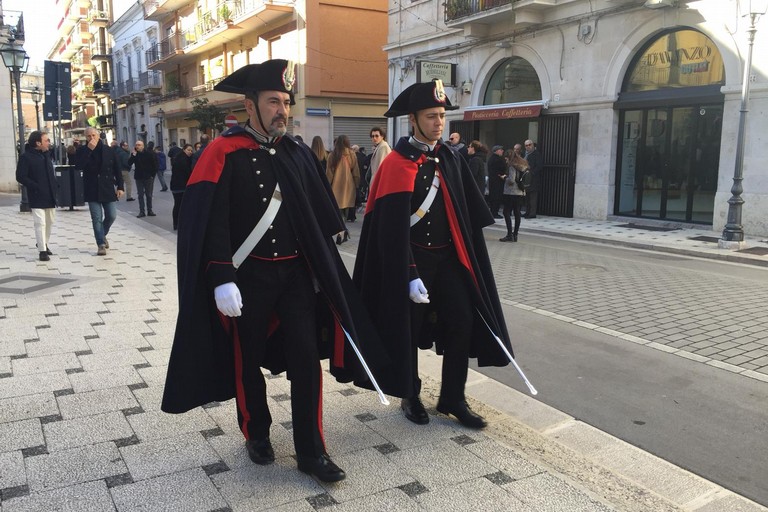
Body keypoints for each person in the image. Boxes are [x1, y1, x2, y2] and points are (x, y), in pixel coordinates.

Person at [161, 59, 391, 483]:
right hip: (247, 279)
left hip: (296, 279)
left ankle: (312, 450)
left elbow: (314, 209)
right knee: (246, 360)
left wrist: (324, 253)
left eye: (286, 101)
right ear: (251, 106)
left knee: (307, 361)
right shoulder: (221, 151)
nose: (282, 109)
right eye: (273, 101)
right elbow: (211, 222)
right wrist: (220, 276)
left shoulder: (295, 151)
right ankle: (257, 432)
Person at [353, 79, 514, 430]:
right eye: (431, 116)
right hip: (410, 261)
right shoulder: (396, 163)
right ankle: (410, 393)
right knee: (407, 330)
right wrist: (409, 272)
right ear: (413, 119)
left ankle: (453, 397)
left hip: (447, 260)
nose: (439, 123)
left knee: (462, 321)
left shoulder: (450, 159)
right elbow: (391, 229)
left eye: (442, 116)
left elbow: (465, 215)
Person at [78, 127, 125, 255]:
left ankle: (102, 234)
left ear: (98, 136)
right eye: (88, 136)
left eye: (94, 135)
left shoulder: (108, 150)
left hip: (107, 187)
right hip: (91, 188)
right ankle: (101, 244)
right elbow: (79, 166)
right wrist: (89, 150)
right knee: (96, 217)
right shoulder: (82, 150)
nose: (91, 138)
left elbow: (117, 169)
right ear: (85, 138)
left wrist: (120, 187)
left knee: (111, 215)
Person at [16, 131, 57, 261]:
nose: (49, 143)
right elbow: (20, 176)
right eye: (46, 140)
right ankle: (42, 251)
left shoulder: (46, 155)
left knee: (50, 222)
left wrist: (56, 186)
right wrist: (35, 186)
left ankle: (43, 242)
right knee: (40, 223)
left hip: (50, 194)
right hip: (36, 195)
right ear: (38, 143)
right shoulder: (26, 157)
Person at [325, 135, 359, 244]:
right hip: (349, 186)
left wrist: (327, 186)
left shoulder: (332, 155)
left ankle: (341, 232)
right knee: (345, 210)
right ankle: (343, 231)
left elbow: (329, 173)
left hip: (335, 187)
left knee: (338, 211)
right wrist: (357, 185)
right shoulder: (352, 154)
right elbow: (356, 173)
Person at [499, 150, 528, 242]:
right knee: (517, 213)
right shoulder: (522, 165)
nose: (506, 160)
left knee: (506, 212)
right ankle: (515, 235)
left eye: (506, 158)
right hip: (520, 192)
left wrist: (504, 178)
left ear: (509, 157)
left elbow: (511, 180)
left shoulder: (512, 166)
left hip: (511, 192)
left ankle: (509, 234)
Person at [128, 140, 158, 217]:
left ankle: (150, 210)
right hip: (139, 177)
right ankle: (142, 211)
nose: (137, 146)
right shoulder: (135, 154)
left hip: (148, 177)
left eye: (139, 145)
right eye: (136, 145)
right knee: (140, 195)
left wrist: (152, 175)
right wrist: (133, 155)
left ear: (143, 146)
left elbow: (154, 165)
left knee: (149, 194)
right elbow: (129, 163)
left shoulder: (149, 154)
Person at [170, 143, 194, 230]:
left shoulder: (178, 158)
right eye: (188, 150)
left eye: (191, 150)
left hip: (176, 186)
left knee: (177, 205)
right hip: (180, 186)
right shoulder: (183, 160)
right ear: (184, 150)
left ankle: (176, 223)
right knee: (180, 205)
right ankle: (178, 223)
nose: (190, 152)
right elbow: (187, 172)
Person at [524, 139, 543, 218]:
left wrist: (532, 173)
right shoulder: (525, 154)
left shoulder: (536, 154)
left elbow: (539, 166)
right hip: (526, 179)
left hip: (533, 179)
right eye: (526, 145)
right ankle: (527, 211)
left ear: (533, 145)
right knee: (527, 197)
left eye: (529, 145)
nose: (528, 146)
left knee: (533, 197)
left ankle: (532, 213)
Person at [487, 145, 506, 219]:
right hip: (498, 181)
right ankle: (495, 213)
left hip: (492, 181)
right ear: (497, 151)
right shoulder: (498, 159)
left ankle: (493, 212)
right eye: (501, 150)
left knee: (493, 197)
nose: (502, 151)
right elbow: (502, 169)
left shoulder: (491, 158)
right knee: (497, 197)